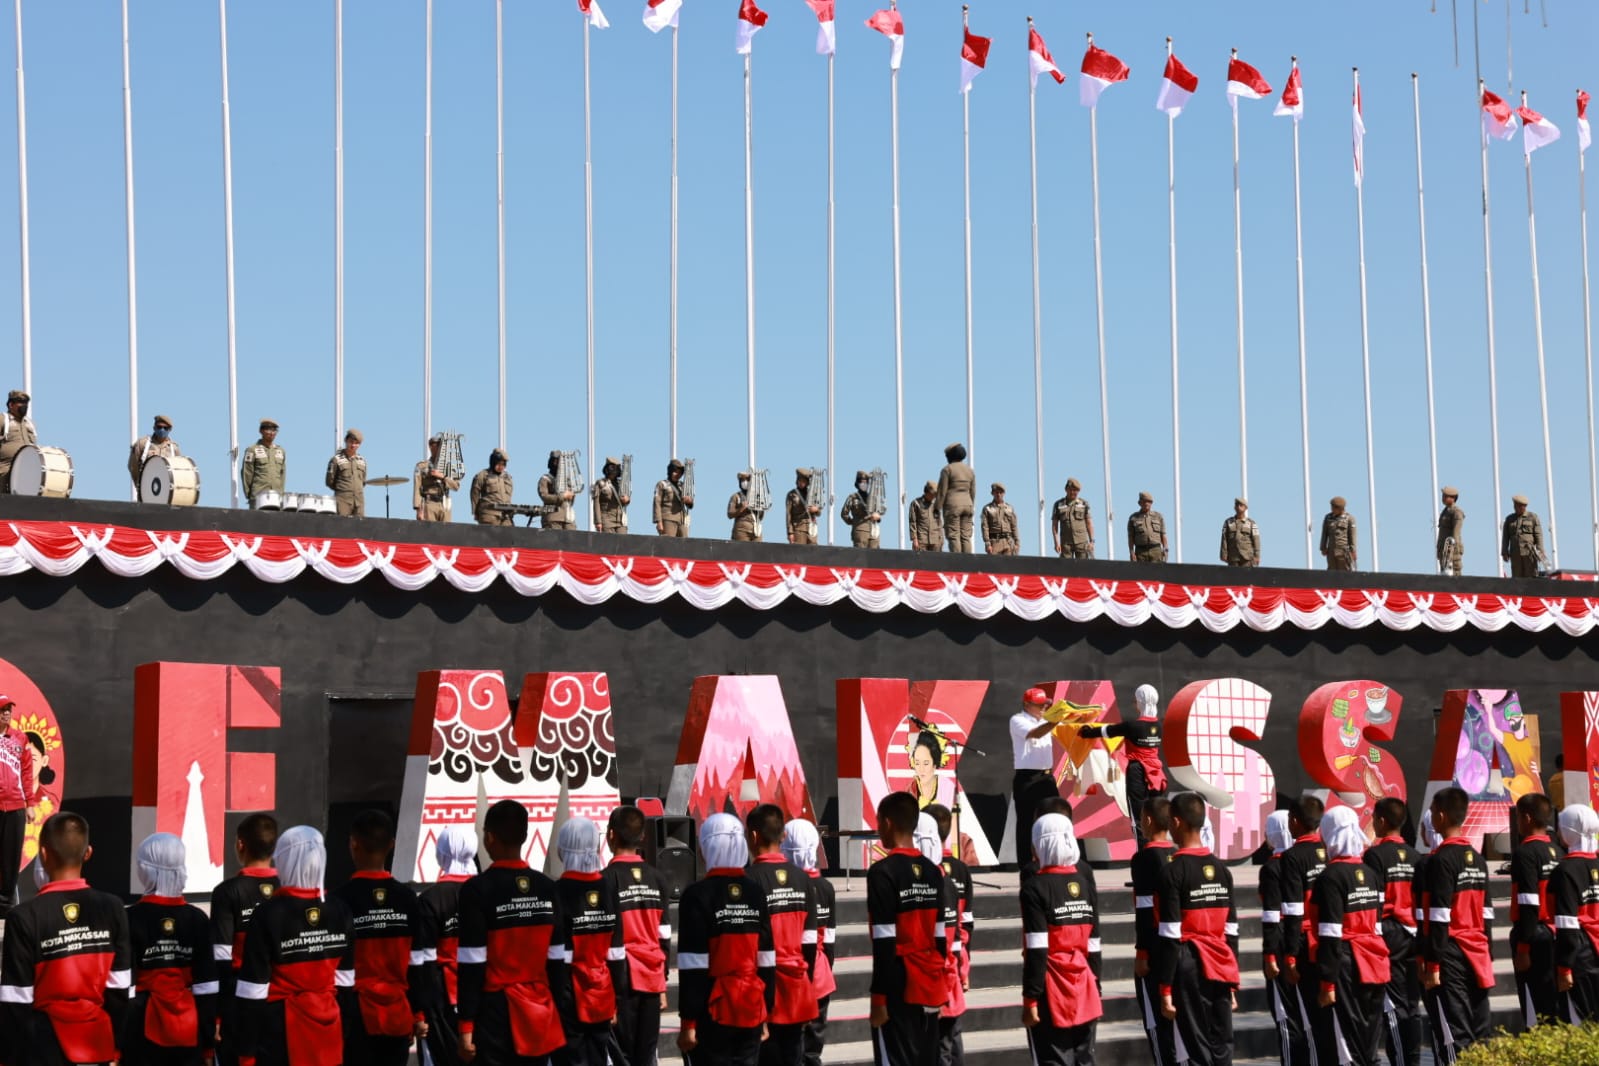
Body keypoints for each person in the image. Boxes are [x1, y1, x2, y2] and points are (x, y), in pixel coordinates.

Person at [0, 812, 131, 1066]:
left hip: (42, 1048)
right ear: (88, 853)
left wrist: (9, 1058)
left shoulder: (23, 917)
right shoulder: (114, 908)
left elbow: (16, 1001)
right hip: (98, 1043)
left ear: (43, 855)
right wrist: (115, 1047)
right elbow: (120, 989)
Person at [457, 799, 567, 1065]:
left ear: (489, 837)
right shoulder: (548, 888)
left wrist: (466, 1026)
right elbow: (558, 959)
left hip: (495, 1014)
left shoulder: (476, 890)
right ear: (525, 836)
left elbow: (472, 963)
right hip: (540, 1009)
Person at [235, 826, 355, 1066]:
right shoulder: (340, 909)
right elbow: (346, 983)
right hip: (328, 1025)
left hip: (279, 1033)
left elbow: (253, 990)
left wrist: (246, 1051)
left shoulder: (267, 913)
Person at [677, 812, 774, 1066]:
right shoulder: (756, 892)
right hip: (751, 1007)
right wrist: (765, 1012)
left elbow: (692, 966)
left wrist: (688, 1022)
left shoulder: (696, 895)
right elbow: (766, 960)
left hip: (712, 1012)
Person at [1153, 793, 1240, 1066]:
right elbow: (1232, 930)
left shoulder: (1172, 872)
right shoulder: (1222, 870)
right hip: (1221, 962)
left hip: (1188, 963)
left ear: (1176, 822)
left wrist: (1165, 987)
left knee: (1196, 1046)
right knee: (1222, 1043)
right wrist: (1232, 983)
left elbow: (1169, 934)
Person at [333, 809, 425, 1066]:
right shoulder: (407, 898)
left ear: (353, 844)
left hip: (354, 1018)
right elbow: (417, 964)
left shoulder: (339, 900)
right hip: (398, 1013)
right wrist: (417, 1012)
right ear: (392, 845)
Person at [125, 832, 218, 1066]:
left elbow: (123, 987)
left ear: (146, 870)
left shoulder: (130, 918)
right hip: (188, 1025)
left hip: (140, 1027)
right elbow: (207, 987)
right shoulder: (197, 919)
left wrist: (117, 1047)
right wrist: (208, 1044)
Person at [867, 793, 946, 1066]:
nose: (878, 829)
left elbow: (884, 941)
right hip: (930, 980)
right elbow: (940, 937)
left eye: (878, 822)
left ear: (887, 823)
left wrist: (879, 999)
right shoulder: (934, 872)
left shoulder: (881, 872)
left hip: (898, 986)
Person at [1019, 813, 1101, 1066]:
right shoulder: (1084, 883)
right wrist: (1096, 986)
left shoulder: (1034, 887)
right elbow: (1094, 943)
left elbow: (1037, 948)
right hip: (1085, 985)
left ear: (1038, 845)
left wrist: (1030, 998)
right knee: (1083, 1059)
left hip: (1051, 987)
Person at [1310, 806, 1388, 1066]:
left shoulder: (1329, 877)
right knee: (1369, 1041)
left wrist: (1327, 983)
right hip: (1376, 961)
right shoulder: (1371, 873)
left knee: (1347, 1046)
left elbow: (1330, 933)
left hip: (1347, 966)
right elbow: (1377, 924)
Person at [1420, 786, 1493, 1058]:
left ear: (1439, 815)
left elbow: (1439, 916)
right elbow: (1486, 913)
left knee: (1456, 1029)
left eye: (1431, 812)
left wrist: (1433, 964)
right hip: (1477, 949)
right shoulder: (1478, 858)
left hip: (1451, 951)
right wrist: (1487, 952)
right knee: (1480, 1028)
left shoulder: (1440, 860)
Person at [746, 803, 818, 1066]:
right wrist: (807, 989)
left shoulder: (748, 881)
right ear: (783, 836)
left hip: (763, 992)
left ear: (753, 836)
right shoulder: (802, 879)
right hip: (798, 990)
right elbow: (810, 943)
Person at [603, 805, 672, 1066]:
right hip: (652, 980)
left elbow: (607, 940)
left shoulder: (605, 880)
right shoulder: (658, 878)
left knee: (623, 1058)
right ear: (642, 836)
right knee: (646, 1055)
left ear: (611, 835)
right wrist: (662, 981)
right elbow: (664, 935)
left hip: (621, 984)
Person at [210, 812, 280, 1066]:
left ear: (241, 845)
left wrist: (217, 1015)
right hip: (278, 1001)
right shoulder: (286, 886)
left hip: (238, 1002)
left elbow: (220, 957)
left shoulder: (226, 892)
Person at [553, 817, 624, 1066]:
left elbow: (557, 957)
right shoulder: (607, 886)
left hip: (569, 998)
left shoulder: (558, 890)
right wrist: (616, 997)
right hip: (602, 993)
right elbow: (617, 952)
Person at [1363, 798, 1423, 1066]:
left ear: (1382, 821)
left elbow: (1373, 902)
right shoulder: (1415, 856)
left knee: (1393, 1007)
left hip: (1389, 934)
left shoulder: (1374, 855)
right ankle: (1412, 1059)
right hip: (1415, 933)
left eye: (1374, 818)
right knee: (1411, 1005)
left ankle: (1401, 1060)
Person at [1076, 684, 1167, 846]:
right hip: (1156, 773)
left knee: (1138, 817)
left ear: (1139, 702)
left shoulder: (1133, 726)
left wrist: (1086, 732)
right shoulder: (1159, 726)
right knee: (1156, 814)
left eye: (1135, 701)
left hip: (1137, 772)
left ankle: (1144, 853)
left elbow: (1108, 731)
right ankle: (1160, 849)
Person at [416, 824, 476, 1066]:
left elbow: (423, 964)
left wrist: (420, 1013)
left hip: (443, 1002)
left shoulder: (430, 899)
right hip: (486, 998)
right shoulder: (488, 890)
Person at [1278, 795, 1328, 1066]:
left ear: (1295, 822)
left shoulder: (1291, 857)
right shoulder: (1330, 850)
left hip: (1307, 946)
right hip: (1331, 944)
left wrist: (1290, 956)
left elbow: (1294, 911)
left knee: (1309, 1021)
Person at [781, 819, 836, 1066]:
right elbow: (831, 940)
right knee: (813, 1050)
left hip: (791, 975)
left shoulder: (784, 886)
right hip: (821, 976)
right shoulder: (825, 886)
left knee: (789, 1049)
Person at [1128, 797, 1179, 1066]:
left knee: (1158, 1026)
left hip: (1156, 950)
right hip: (1180, 949)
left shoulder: (1143, 858)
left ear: (1147, 820)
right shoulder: (1179, 855)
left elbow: (1145, 909)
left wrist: (1141, 952)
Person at [1509, 793, 1559, 1028]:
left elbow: (1529, 902)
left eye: (1518, 817)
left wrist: (1523, 947)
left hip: (1533, 935)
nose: (1517, 822)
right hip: (1556, 933)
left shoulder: (1524, 853)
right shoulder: (1559, 852)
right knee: (1553, 1003)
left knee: (1534, 1007)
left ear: (1526, 818)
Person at [927, 804, 973, 1066]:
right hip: (956, 961)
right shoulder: (961, 870)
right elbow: (967, 924)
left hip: (944, 966)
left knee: (943, 1042)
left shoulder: (931, 877)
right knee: (953, 1036)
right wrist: (964, 966)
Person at [1552, 803, 1599, 1022]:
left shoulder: (1565, 870)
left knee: (1580, 1021)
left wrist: (1564, 967)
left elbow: (1566, 923)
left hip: (1580, 952)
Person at [0, 694, 41, 921]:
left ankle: (5, 906)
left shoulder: (20, 738)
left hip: (15, 806)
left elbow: (27, 773)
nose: (6, 713)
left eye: (9, 709)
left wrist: (30, 804)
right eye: (2, 709)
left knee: (11, 857)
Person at [1011, 688, 1061, 873]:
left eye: (1045, 704)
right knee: (1026, 823)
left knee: (1055, 818)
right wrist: (1055, 719)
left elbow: (1070, 724)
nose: (1043, 708)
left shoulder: (1047, 721)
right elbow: (1036, 733)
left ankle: (1053, 859)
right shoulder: (1018, 720)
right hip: (1027, 778)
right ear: (1027, 704)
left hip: (1046, 777)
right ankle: (1026, 866)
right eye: (1039, 705)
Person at [1259, 810, 1293, 1066]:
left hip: (1280, 941)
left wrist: (1270, 954)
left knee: (1284, 1015)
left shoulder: (1272, 868)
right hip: (1300, 938)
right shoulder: (1304, 860)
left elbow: (1271, 914)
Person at [936, 443, 977, 553]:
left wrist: (937, 507)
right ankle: (968, 565)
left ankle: (957, 564)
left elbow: (941, 492)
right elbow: (973, 491)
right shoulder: (970, 470)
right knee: (965, 537)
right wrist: (970, 504)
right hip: (968, 505)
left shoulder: (947, 470)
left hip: (953, 506)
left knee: (954, 536)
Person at [241, 419, 287, 508]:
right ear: (261, 431)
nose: (271, 433)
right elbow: (247, 473)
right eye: (269, 429)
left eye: (274, 430)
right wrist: (250, 495)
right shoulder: (252, 450)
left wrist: (281, 493)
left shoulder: (280, 451)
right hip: (258, 495)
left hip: (276, 497)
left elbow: (282, 475)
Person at [413, 436, 460, 522]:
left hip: (445, 504)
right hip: (429, 504)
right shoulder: (422, 466)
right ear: (430, 447)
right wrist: (418, 510)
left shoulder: (449, 467)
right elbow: (417, 489)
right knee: (430, 533)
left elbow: (456, 486)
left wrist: (443, 477)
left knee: (446, 534)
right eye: (436, 446)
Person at [906, 730, 954, 811]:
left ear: (934, 764)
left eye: (926, 763)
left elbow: (953, 819)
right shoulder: (910, 789)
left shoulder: (947, 786)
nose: (921, 769)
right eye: (917, 763)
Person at [0, 389, 37, 492]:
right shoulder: (3, 419)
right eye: (21, 403)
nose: (24, 406)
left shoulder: (29, 424)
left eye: (26, 403)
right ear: (11, 405)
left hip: (25, 469)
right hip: (5, 469)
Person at [129, 414, 181, 488]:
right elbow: (133, 466)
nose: (162, 430)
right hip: (147, 490)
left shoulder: (174, 449)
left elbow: (178, 471)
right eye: (159, 427)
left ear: (170, 429)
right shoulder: (142, 444)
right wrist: (139, 485)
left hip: (167, 492)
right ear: (154, 428)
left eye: (165, 428)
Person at [325, 430, 367, 517]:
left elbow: (363, 481)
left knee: (361, 527)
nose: (353, 445)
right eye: (351, 442)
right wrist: (343, 490)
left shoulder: (362, 461)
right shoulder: (336, 459)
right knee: (342, 527)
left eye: (356, 443)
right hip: (343, 500)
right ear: (346, 441)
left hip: (359, 501)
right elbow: (329, 481)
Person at [1501, 495, 1545, 578]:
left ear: (1523, 506)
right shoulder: (1509, 519)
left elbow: (1538, 535)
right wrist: (1504, 552)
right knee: (1517, 578)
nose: (1514, 508)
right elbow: (1505, 537)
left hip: (1529, 553)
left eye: (1517, 506)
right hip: (1515, 554)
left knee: (1531, 577)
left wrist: (1541, 551)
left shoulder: (1533, 517)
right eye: (1514, 505)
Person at [470, 449, 515, 526]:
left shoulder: (507, 477)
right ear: (493, 463)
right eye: (499, 464)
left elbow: (509, 496)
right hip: (489, 514)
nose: (501, 467)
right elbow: (474, 493)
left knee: (510, 535)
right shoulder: (483, 475)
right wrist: (475, 512)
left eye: (503, 465)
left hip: (506, 516)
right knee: (489, 537)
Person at [1051, 479, 1094, 559]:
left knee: (1083, 568)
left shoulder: (1084, 504)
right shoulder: (1058, 505)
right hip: (1066, 544)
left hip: (1082, 543)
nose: (1073, 493)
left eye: (1076, 491)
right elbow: (1054, 526)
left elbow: (1089, 524)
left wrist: (1092, 541)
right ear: (1066, 490)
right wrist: (1056, 543)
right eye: (1071, 490)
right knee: (1065, 569)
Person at [841, 470, 883, 550]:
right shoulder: (853, 497)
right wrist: (854, 522)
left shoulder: (873, 498)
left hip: (874, 531)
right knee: (861, 557)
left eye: (866, 482)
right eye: (862, 482)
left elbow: (880, 511)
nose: (864, 485)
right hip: (860, 532)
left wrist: (878, 517)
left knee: (876, 558)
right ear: (857, 483)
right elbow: (844, 514)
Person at [654, 459, 694, 537]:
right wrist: (659, 521)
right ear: (670, 471)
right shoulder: (662, 484)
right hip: (668, 519)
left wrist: (689, 501)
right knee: (669, 545)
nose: (677, 474)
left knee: (684, 545)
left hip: (682, 520)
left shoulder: (682, 486)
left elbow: (690, 504)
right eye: (675, 471)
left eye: (680, 473)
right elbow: (657, 504)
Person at [539, 451, 578, 530]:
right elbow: (544, 496)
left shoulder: (566, 480)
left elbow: (572, 499)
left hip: (569, 518)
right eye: (556, 461)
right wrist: (562, 496)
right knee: (554, 541)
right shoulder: (545, 479)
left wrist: (571, 495)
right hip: (553, 517)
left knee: (574, 541)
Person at [1127, 492, 1168, 562]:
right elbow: (1131, 537)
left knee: (1157, 572)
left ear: (1151, 503)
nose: (1146, 503)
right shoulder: (1133, 518)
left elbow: (1163, 535)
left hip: (1156, 551)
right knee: (1141, 572)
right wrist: (1131, 552)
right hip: (1140, 552)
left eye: (1149, 501)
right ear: (1140, 503)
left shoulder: (1158, 516)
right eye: (1144, 501)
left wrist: (1165, 549)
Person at [594, 457, 631, 534]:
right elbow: (596, 503)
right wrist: (598, 522)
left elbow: (626, 499)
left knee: (623, 543)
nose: (614, 471)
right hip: (606, 519)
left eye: (616, 468)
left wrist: (627, 500)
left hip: (620, 520)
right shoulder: (600, 483)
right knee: (609, 544)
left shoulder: (621, 484)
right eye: (612, 468)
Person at [1220, 497, 1261, 567]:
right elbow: (1224, 539)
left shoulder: (1251, 523)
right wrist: (1223, 554)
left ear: (1245, 508)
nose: (1238, 507)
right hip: (1233, 557)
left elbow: (1256, 540)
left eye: (1241, 505)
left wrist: (1257, 556)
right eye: (1236, 505)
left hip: (1247, 558)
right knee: (1232, 577)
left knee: (1246, 577)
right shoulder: (1228, 522)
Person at [980, 483, 1019, 556]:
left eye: (1001, 492)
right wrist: (988, 544)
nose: (998, 494)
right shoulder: (987, 509)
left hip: (1008, 542)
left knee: (1009, 566)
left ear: (1004, 493)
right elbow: (985, 527)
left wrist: (1017, 543)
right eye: (996, 492)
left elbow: (1014, 527)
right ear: (992, 493)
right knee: (994, 566)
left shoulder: (1009, 508)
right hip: (994, 542)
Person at [1321, 497, 1358, 571]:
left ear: (1341, 508)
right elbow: (1324, 533)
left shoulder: (1349, 519)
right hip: (1331, 551)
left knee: (1344, 572)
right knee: (1331, 572)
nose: (1332, 509)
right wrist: (1323, 547)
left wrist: (1353, 551)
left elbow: (1352, 536)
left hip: (1343, 552)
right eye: (1331, 507)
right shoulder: (1328, 517)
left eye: (1334, 508)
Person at [1437, 487, 1465, 575]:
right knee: (1444, 575)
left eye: (1445, 496)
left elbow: (1456, 532)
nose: (1443, 498)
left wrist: (1453, 548)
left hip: (1452, 549)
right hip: (1444, 550)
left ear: (1453, 498)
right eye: (1443, 496)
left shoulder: (1456, 512)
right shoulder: (1445, 512)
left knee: (1455, 574)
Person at [788, 469, 820, 545]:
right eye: (800, 480)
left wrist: (816, 509)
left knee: (814, 554)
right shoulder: (792, 495)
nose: (802, 483)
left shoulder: (812, 494)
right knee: (799, 553)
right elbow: (788, 515)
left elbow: (819, 512)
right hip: (799, 529)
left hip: (812, 529)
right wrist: (790, 533)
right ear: (797, 481)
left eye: (804, 481)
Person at [728, 471, 763, 543]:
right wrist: (741, 509)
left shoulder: (756, 497)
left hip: (756, 530)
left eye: (747, 480)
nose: (745, 482)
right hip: (741, 530)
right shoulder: (736, 496)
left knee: (759, 552)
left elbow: (761, 516)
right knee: (743, 551)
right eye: (743, 480)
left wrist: (759, 507)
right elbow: (730, 514)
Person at [908, 481, 943, 552]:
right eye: (933, 494)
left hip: (936, 541)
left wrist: (941, 539)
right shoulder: (916, 503)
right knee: (921, 563)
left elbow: (939, 522)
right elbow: (912, 522)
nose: (934, 496)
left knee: (936, 563)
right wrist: (914, 539)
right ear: (927, 492)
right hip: (921, 541)